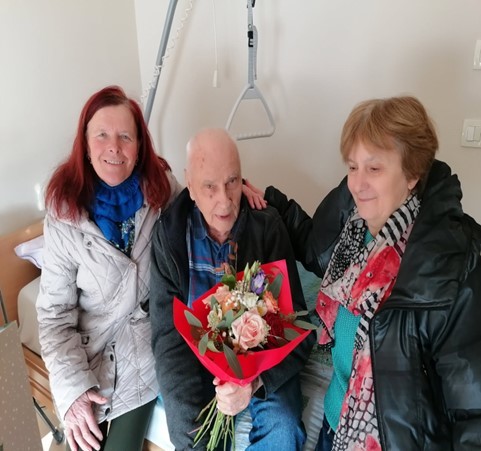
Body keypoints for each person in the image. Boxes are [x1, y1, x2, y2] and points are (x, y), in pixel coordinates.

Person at [259, 96, 481, 450]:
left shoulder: (451, 260)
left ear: (412, 174)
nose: (357, 183)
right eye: (352, 167)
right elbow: (315, 249)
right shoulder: (353, 228)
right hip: (335, 426)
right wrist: (268, 202)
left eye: (374, 169)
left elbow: (471, 405)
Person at [36, 85, 183, 451]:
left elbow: (203, 206)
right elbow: (54, 318)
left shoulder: (161, 190)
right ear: (86, 145)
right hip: (88, 348)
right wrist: (73, 390)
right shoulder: (63, 212)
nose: (114, 147)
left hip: (143, 349)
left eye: (125, 137)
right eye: (102, 135)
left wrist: (236, 188)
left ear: (140, 146)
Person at [150, 128, 316, 450]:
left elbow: (296, 326)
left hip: (261, 359)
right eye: (209, 186)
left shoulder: (267, 226)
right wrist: (190, 429)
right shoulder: (169, 238)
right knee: (191, 435)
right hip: (196, 360)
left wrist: (253, 384)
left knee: (283, 428)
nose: (224, 200)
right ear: (190, 186)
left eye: (232, 182)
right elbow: (168, 343)